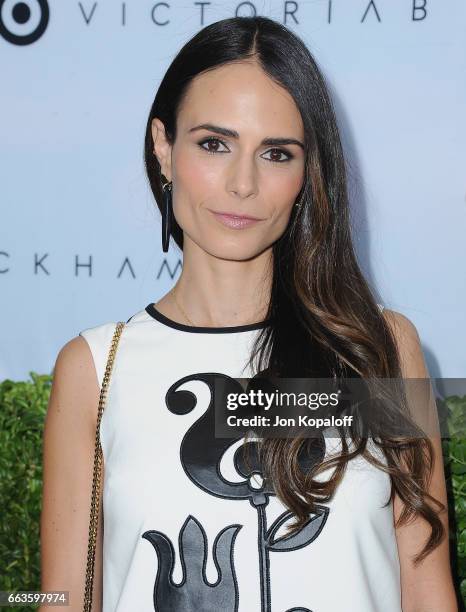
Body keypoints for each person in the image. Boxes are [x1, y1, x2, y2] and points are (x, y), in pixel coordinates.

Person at [40, 15, 458, 612]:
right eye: (214, 144)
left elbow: (427, 591)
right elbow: (59, 596)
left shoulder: (382, 348)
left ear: (308, 174)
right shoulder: (95, 369)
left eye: (276, 153)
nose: (243, 184)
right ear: (163, 147)